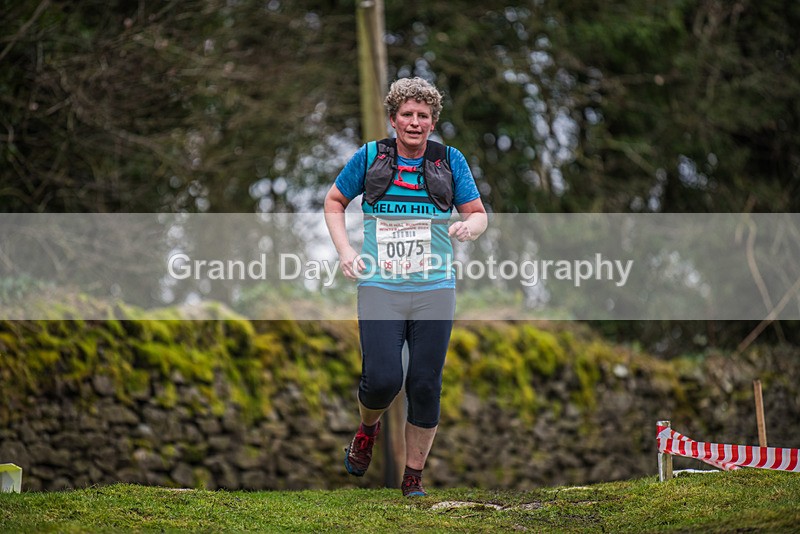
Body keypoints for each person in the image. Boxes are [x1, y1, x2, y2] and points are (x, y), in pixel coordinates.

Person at [323, 76, 487, 497]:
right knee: (382, 379)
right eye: (407, 115)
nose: (415, 122)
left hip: (435, 286)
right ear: (393, 120)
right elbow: (334, 201)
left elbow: (479, 213)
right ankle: (367, 430)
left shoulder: (450, 160)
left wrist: (469, 226)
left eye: (423, 116)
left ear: (432, 123)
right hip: (380, 284)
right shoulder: (370, 156)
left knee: (425, 383)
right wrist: (345, 251)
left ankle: (413, 477)